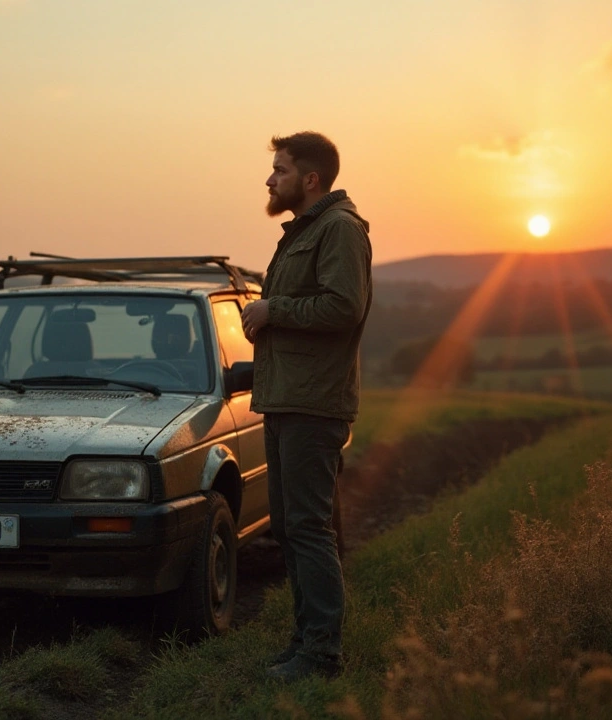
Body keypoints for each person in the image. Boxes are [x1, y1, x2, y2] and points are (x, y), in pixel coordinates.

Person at [241, 131, 372, 681]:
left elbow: (343, 307)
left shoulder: (339, 230)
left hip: (314, 405)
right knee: (293, 527)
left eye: (280, 169)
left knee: (310, 526)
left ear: (310, 178)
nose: (270, 179)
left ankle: (321, 654)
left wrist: (274, 310)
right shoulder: (306, 231)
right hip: (286, 400)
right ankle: (303, 641)